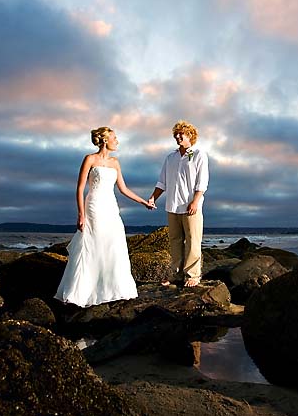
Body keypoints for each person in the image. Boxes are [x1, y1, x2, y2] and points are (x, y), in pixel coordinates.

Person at [55, 127, 154, 307]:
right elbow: (80, 188)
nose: (117, 141)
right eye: (114, 138)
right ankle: (85, 291)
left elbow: (123, 189)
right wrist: (81, 214)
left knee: (114, 243)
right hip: (94, 205)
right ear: (105, 139)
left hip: (110, 206)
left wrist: (143, 202)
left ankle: (113, 289)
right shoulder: (90, 159)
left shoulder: (115, 162)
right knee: (94, 243)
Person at [147, 120, 209, 287]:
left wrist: (195, 202)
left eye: (182, 133)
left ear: (190, 136)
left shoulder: (198, 154)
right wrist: (153, 198)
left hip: (191, 205)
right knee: (174, 240)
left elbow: (202, 182)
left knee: (192, 240)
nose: (178, 136)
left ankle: (193, 275)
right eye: (176, 134)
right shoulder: (170, 157)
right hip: (172, 205)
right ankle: (175, 274)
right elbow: (162, 182)